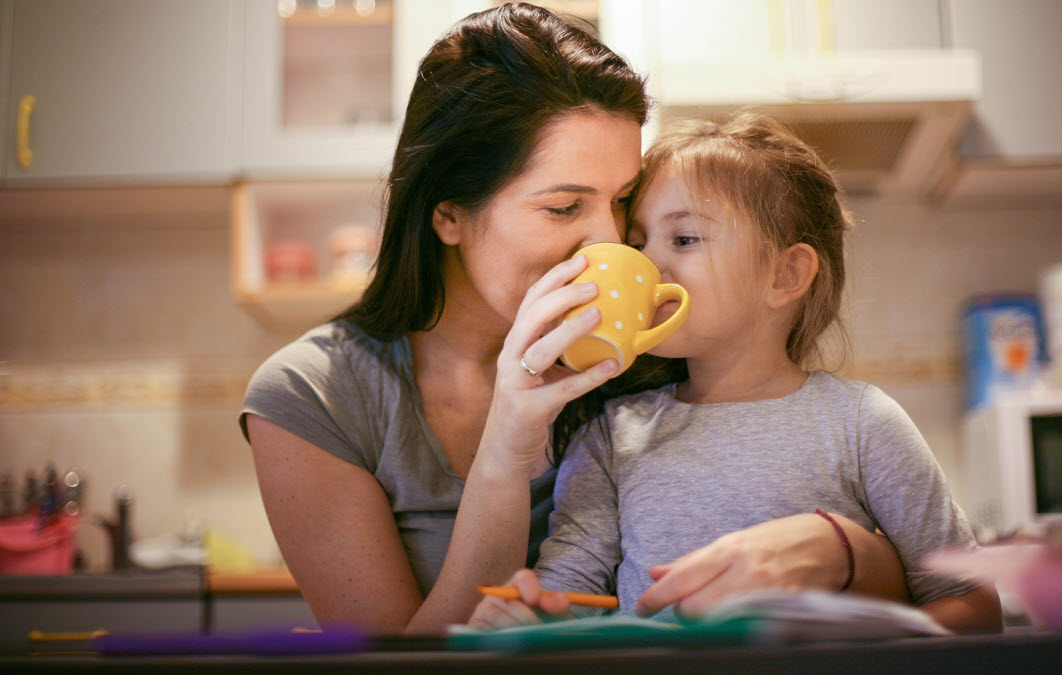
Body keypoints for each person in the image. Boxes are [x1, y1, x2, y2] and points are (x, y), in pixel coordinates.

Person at [241, 3, 909, 635]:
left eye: (621, 202)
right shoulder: (310, 397)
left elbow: (912, 576)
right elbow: (398, 668)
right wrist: (508, 438)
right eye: (564, 208)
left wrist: (841, 545)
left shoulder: (651, 349)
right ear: (447, 213)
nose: (609, 243)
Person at [469, 113, 1002, 634]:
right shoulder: (610, 435)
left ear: (785, 275)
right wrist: (532, 613)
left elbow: (972, 605)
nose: (648, 265)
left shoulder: (862, 423)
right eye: (637, 243)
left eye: (684, 239)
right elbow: (569, 599)